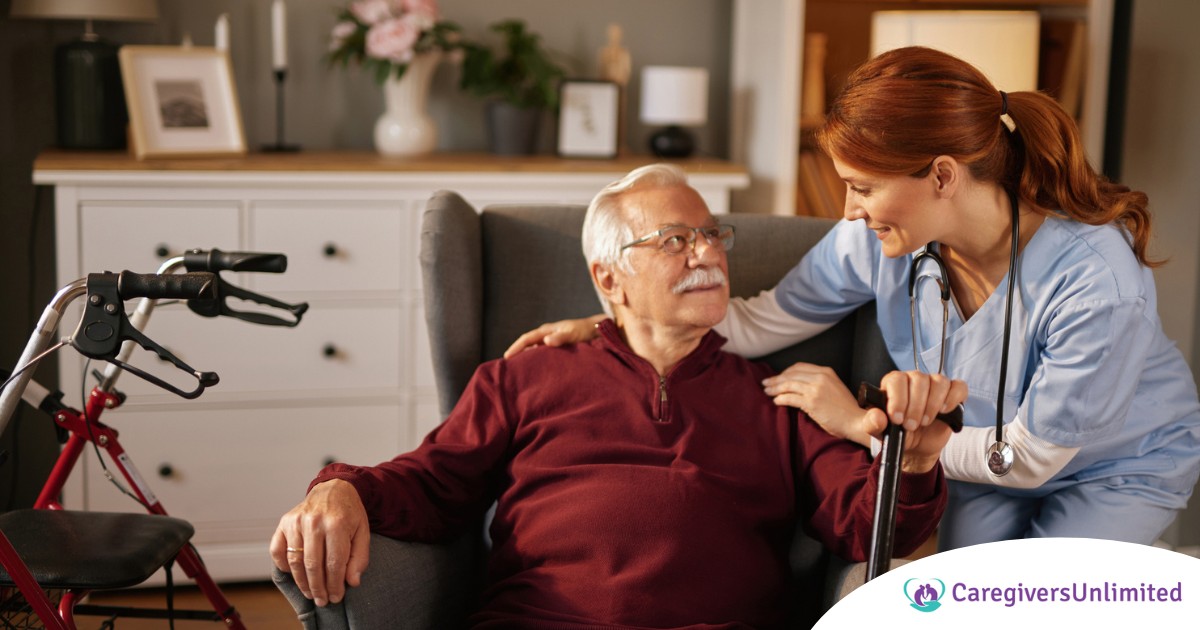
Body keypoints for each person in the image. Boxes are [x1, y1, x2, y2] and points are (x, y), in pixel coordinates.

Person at [504, 46, 1200, 551]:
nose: (849, 208)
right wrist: (617, 321)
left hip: (1114, 464)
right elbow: (750, 324)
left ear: (942, 176)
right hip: (980, 461)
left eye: (862, 187)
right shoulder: (875, 240)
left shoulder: (1094, 282)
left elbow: (1031, 457)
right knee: (959, 602)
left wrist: (861, 424)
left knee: (1046, 607)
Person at [271, 163, 952, 628]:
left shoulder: (779, 397)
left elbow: (868, 525)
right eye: (675, 241)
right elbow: (433, 482)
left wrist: (916, 461)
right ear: (610, 276)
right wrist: (340, 488)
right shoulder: (523, 376)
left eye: (713, 235)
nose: (708, 255)